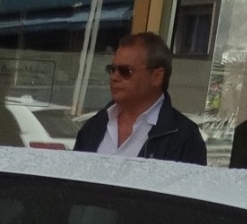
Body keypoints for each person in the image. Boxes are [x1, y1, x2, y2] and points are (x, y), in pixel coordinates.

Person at [72, 32, 205, 162]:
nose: (114, 77)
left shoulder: (184, 137)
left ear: (157, 77)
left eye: (125, 71)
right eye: (112, 69)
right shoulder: (94, 126)